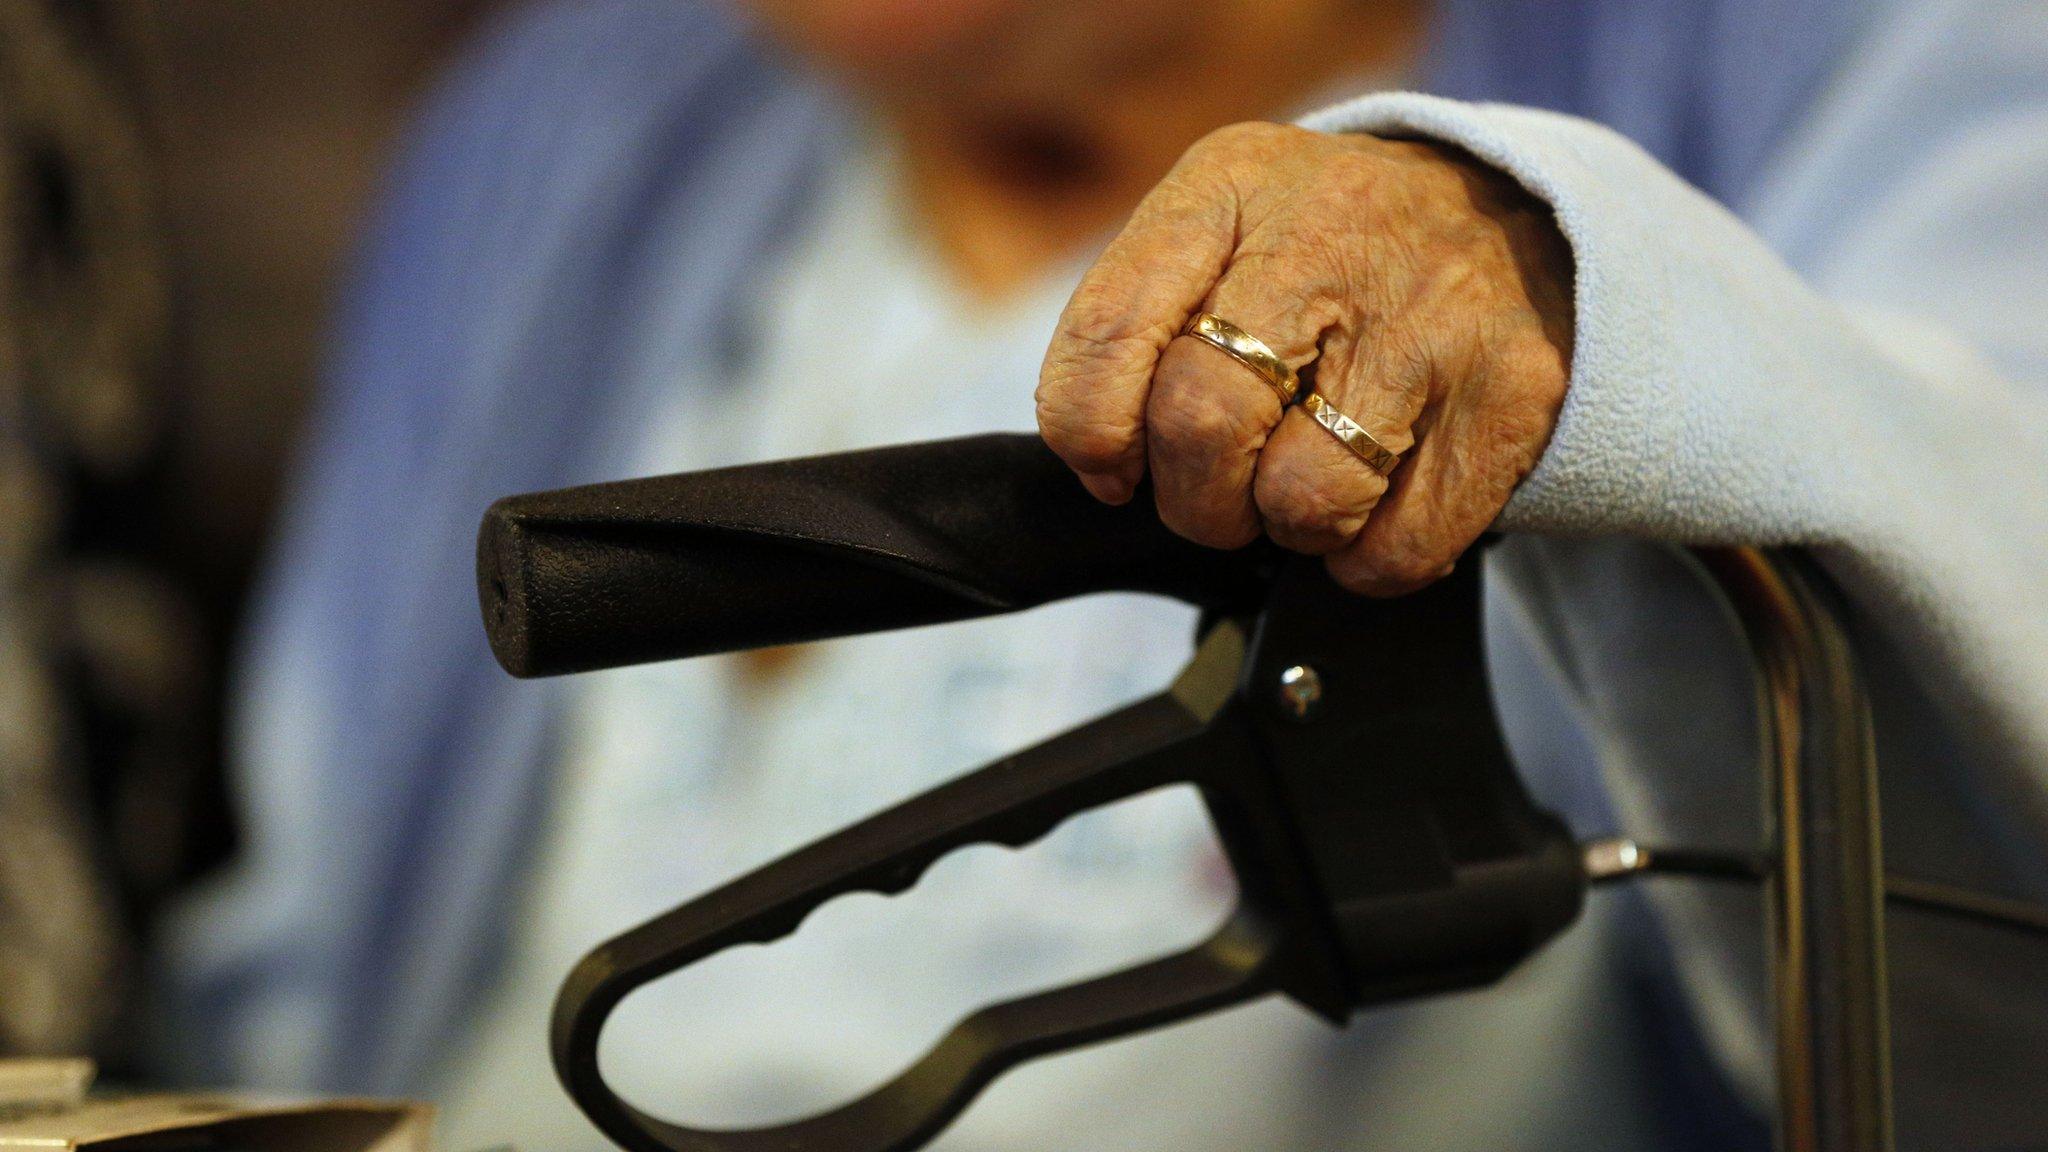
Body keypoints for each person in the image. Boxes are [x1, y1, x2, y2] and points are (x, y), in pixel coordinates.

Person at [160, 0, 2048, 1150]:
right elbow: (303, 967)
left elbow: (1992, 618)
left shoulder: (1848, 51)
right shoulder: (562, 132)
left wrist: (1580, 292)